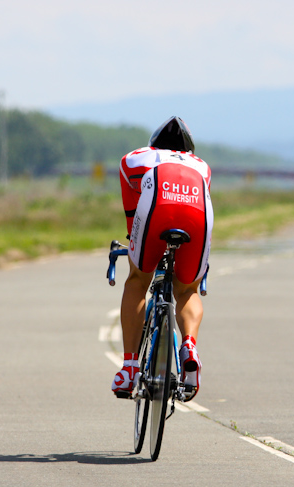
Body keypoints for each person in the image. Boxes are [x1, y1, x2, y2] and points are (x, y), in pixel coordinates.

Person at [112, 116, 213, 402]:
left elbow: (133, 218)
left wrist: (137, 250)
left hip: (157, 206)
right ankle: (190, 346)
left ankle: (130, 368)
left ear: (154, 143)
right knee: (187, 288)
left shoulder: (135, 158)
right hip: (197, 214)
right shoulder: (201, 165)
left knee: (137, 280)